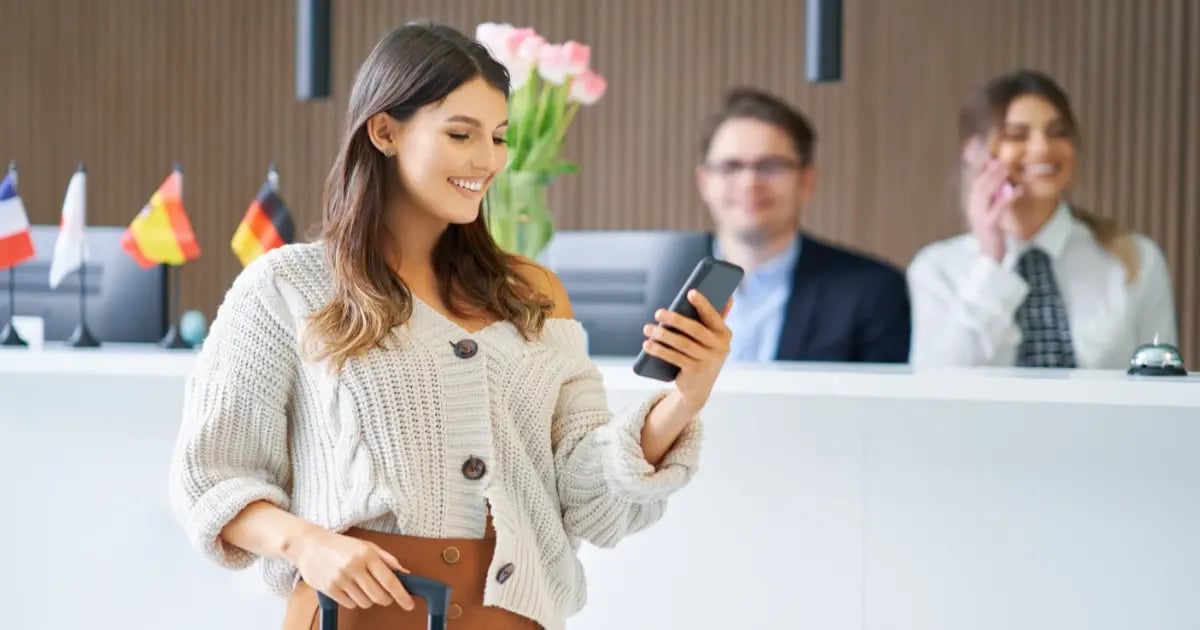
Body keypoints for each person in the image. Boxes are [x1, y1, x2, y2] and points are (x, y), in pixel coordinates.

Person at [167, 22, 732, 630]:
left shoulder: (532, 295)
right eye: (461, 134)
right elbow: (211, 477)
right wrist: (306, 543)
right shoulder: (287, 287)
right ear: (384, 131)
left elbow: (587, 497)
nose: (486, 160)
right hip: (357, 616)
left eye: (498, 137)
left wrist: (682, 398)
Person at [907, 70, 1177, 368]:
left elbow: (1161, 386)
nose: (1042, 148)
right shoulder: (937, 269)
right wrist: (991, 262)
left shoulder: (1134, 260)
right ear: (974, 152)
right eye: (1017, 135)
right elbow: (938, 387)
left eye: (1057, 132)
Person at [695, 88, 911, 364]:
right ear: (704, 181)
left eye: (770, 166)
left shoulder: (871, 291)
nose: (750, 183)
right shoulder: (662, 285)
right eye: (731, 166)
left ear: (807, 181)